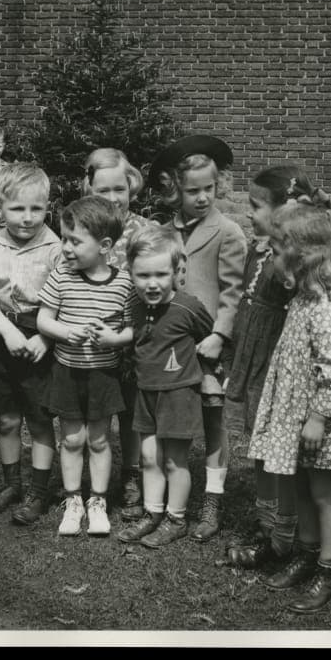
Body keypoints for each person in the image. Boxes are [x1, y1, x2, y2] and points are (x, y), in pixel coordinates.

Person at [247, 204, 331, 613]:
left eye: (278, 248)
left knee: (323, 493)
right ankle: (307, 550)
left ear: (304, 256)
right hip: (299, 416)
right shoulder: (301, 300)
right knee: (300, 486)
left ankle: (329, 569)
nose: (272, 255)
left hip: (322, 420)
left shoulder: (328, 309)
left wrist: (318, 418)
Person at [226, 166, 331, 569]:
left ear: (285, 210)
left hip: (277, 355)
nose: (249, 214)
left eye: (255, 206)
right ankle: (266, 522)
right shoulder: (259, 246)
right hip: (252, 352)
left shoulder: (296, 255)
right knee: (258, 441)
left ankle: (284, 532)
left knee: (277, 447)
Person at [149, 135, 247, 541]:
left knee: (213, 422)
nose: (203, 197)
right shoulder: (164, 232)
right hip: (172, 346)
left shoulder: (227, 232)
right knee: (170, 420)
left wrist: (221, 335)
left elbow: (234, 292)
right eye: (193, 191)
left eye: (209, 189)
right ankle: (167, 498)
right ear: (175, 188)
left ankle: (213, 499)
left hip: (209, 347)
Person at [37, 197, 137, 537]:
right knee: (72, 438)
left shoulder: (123, 283)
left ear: (105, 246)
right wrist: (66, 332)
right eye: (64, 239)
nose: (65, 248)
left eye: (74, 241)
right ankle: (73, 500)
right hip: (67, 372)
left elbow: (131, 329)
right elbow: (43, 321)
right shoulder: (61, 277)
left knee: (98, 439)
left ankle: (97, 500)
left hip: (103, 375)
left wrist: (114, 339)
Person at [0, 163, 61, 524]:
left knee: (39, 420)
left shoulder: (56, 248)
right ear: (0, 207)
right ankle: (12, 484)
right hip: (0, 337)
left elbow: (65, 301)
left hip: (40, 335)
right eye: (17, 209)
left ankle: (39, 492)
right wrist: (7, 333)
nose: (27, 218)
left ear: (47, 207)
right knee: (6, 418)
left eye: (36, 209)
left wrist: (45, 339)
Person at [115, 225, 215, 548]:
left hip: (178, 395)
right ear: (130, 272)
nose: (152, 283)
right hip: (146, 393)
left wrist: (210, 371)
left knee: (174, 461)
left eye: (161, 274)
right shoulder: (135, 305)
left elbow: (210, 338)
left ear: (176, 271)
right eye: (143, 275)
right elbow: (136, 339)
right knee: (149, 457)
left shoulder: (188, 307)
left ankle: (176, 518)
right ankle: (152, 512)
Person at [81, 148, 151, 519]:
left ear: (131, 187)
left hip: (131, 337)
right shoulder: (80, 230)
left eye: (119, 189)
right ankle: (92, 480)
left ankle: (131, 474)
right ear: (88, 188)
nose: (112, 198)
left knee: (131, 412)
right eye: (102, 190)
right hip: (91, 338)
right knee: (95, 411)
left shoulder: (143, 231)